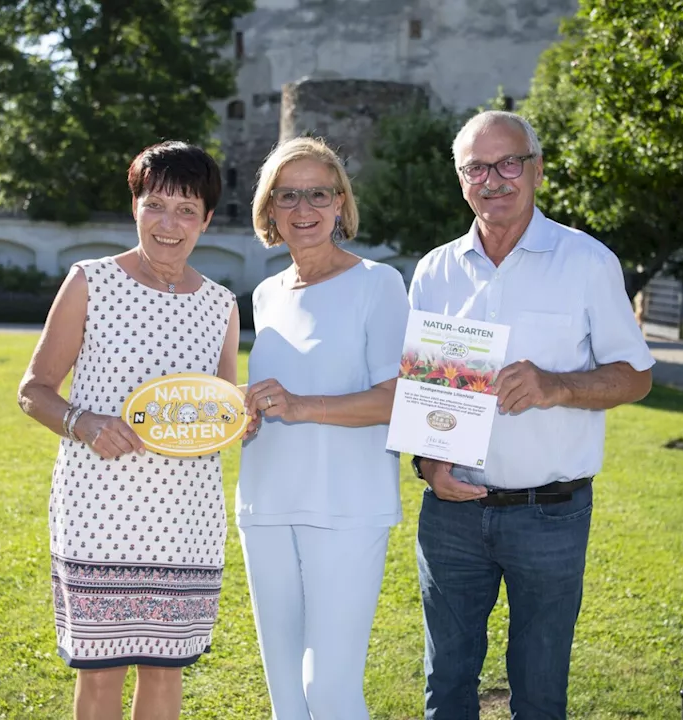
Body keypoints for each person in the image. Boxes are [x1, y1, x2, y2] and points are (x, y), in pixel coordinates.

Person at [408, 111, 655, 719]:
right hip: (451, 516)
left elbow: (637, 376)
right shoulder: (435, 269)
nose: (494, 179)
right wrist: (427, 463)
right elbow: (425, 391)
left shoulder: (587, 261)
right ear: (461, 179)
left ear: (537, 170)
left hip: (550, 512)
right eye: (477, 168)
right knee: (446, 686)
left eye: (508, 162)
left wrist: (556, 386)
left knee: (541, 693)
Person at [17, 141, 239, 720]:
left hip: (185, 516)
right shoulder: (90, 281)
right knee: (100, 676)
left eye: (187, 209)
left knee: (166, 678)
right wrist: (82, 422)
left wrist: (244, 414)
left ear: (207, 219)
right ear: (134, 206)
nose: (170, 224)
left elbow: (222, 412)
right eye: (156, 204)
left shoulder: (222, 305)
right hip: (100, 511)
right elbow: (33, 389)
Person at [238, 136, 410, 719]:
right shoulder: (264, 294)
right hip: (264, 504)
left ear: (340, 203)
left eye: (318, 193)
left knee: (329, 691)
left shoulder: (378, 284)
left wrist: (303, 404)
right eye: (288, 195)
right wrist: (244, 412)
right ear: (269, 210)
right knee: (286, 696)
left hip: (346, 507)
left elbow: (396, 400)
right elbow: (275, 393)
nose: (303, 208)